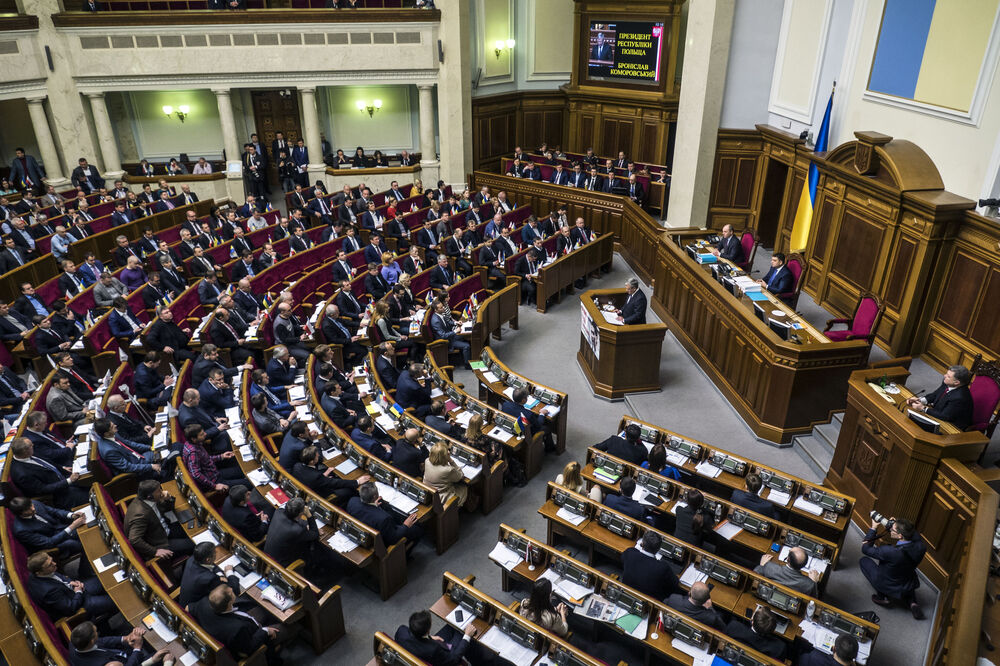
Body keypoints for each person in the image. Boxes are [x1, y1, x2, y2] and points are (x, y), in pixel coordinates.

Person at [189, 584, 283, 661]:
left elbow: (188, 608)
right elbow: (248, 649)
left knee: (262, 610)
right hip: (252, 637)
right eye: (231, 592)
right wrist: (265, 631)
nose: (231, 588)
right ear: (230, 603)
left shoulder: (204, 603)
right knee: (285, 628)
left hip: (244, 622)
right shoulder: (237, 629)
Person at [861, 516, 927, 619]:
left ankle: (882, 597)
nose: (890, 529)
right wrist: (897, 524)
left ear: (900, 536)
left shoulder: (890, 551)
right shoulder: (921, 546)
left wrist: (873, 528)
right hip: (907, 580)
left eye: (892, 529)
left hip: (887, 582)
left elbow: (865, 549)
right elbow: (912, 532)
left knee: (864, 561)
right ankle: (913, 603)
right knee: (906, 584)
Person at [27, 551, 115, 619]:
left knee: (108, 578)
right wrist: (79, 592)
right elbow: (71, 608)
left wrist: (70, 582)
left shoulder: (39, 573)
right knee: (115, 600)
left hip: (73, 590)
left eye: (52, 560)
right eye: (50, 565)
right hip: (81, 605)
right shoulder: (49, 592)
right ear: (39, 572)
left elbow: (58, 576)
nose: (55, 564)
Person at [124, 479, 195, 561]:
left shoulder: (149, 499)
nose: (162, 492)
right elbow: (134, 539)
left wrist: (169, 499)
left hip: (163, 529)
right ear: (149, 496)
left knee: (192, 530)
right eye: (158, 491)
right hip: (159, 542)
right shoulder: (141, 515)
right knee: (192, 544)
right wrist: (155, 551)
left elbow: (166, 508)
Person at [347, 482, 423, 546]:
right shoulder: (384, 518)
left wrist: (373, 506)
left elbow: (365, 511)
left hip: (363, 530)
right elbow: (393, 539)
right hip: (380, 542)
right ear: (374, 496)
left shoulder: (352, 501)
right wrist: (406, 525)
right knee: (418, 530)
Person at [394, 609, 478, 666]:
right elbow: (453, 659)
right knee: (462, 636)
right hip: (441, 658)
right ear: (427, 630)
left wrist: (429, 637)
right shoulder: (433, 649)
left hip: (420, 645)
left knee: (451, 627)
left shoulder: (401, 631)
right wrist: (467, 635)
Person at [292, 445, 369, 505]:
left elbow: (310, 476)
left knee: (330, 472)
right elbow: (336, 483)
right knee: (350, 489)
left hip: (312, 484)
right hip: (321, 493)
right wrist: (357, 481)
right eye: (316, 455)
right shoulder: (316, 477)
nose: (318, 455)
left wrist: (323, 476)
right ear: (312, 461)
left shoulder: (297, 466)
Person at [69, 621, 170, 666]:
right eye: (96, 632)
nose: (98, 633)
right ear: (91, 641)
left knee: (129, 629)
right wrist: (137, 648)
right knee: (166, 654)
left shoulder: (76, 641)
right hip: (127, 662)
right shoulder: (107, 665)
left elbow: (103, 641)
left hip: (116, 654)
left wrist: (126, 638)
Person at [905, 365, 974, 430]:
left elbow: (945, 416)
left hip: (951, 426)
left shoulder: (960, 397)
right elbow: (935, 394)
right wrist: (920, 400)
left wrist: (923, 408)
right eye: (946, 374)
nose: (944, 376)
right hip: (939, 412)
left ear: (956, 382)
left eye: (948, 376)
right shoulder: (947, 382)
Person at [178, 541, 240, 609]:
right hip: (193, 609)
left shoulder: (192, 559)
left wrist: (220, 575)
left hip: (186, 599)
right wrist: (229, 572)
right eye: (214, 553)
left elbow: (212, 565)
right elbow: (234, 590)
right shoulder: (208, 579)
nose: (216, 553)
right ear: (208, 559)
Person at [621, 531, 681, 600]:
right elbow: (675, 583)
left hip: (626, 595)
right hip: (649, 601)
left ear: (642, 544)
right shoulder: (663, 567)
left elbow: (623, 559)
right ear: (658, 549)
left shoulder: (630, 553)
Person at [263, 498, 321, 568]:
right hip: (280, 563)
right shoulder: (297, 530)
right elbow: (315, 533)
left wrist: (306, 525)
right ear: (300, 513)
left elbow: (293, 521)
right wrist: (309, 515)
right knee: (309, 547)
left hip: (267, 553)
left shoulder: (278, 512)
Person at [423, 441, 476, 510]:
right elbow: (460, 476)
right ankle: (470, 507)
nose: (448, 452)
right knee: (466, 485)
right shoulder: (448, 470)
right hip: (443, 496)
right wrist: (450, 460)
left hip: (429, 492)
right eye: (446, 451)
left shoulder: (427, 461)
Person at [754, 548, 820, 598]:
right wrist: (814, 582)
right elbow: (814, 598)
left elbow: (754, 575)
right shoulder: (809, 584)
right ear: (805, 564)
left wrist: (762, 566)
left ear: (788, 559)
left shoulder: (769, 567)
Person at [430, 300, 471, 366]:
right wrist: (455, 331)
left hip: (450, 335)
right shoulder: (435, 321)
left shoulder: (439, 314)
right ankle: (467, 365)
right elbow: (443, 336)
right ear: (435, 310)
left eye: (442, 306)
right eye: (441, 308)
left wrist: (456, 323)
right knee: (467, 346)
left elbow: (448, 322)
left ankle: (465, 357)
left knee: (465, 335)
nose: (443, 308)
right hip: (446, 341)